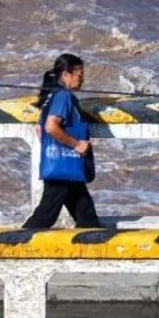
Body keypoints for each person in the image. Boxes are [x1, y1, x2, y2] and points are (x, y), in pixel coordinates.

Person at [23, 53, 102, 229]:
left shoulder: (52, 96)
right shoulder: (63, 96)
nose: (82, 79)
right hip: (64, 164)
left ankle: (92, 247)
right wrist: (77, 144)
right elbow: (51, 127)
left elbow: (39, 129)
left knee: (86, 213)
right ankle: (13, 246)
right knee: (45, 216)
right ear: (66, 74)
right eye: (79, 74)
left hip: (65, 164)